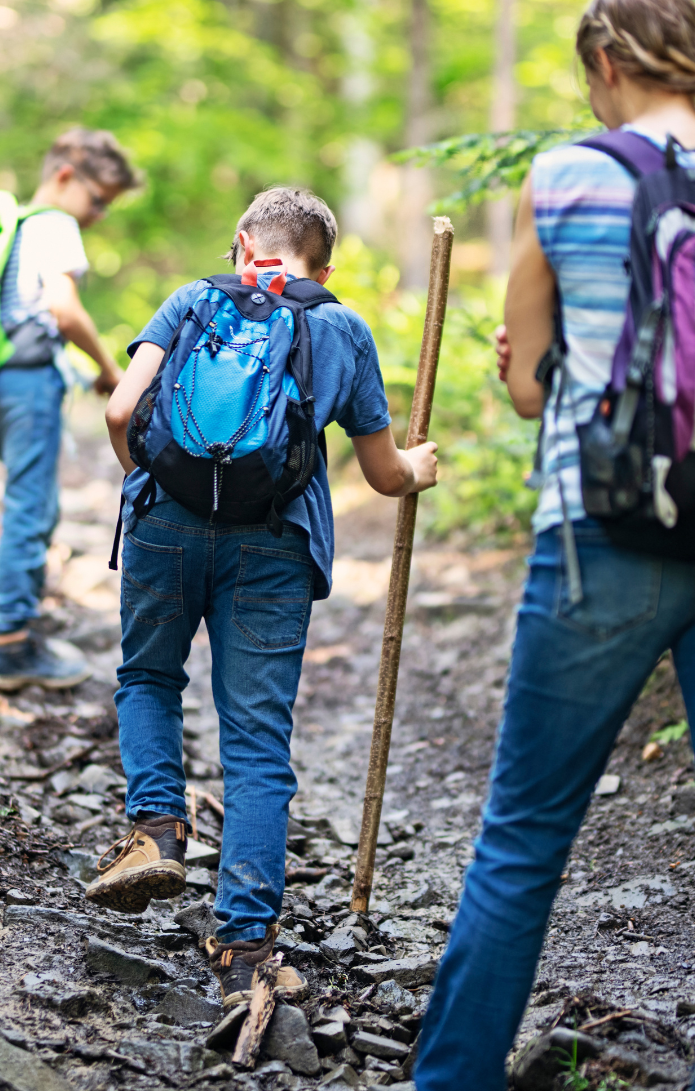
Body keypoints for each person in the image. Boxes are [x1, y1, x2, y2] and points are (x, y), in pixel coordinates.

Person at [411, 0, 695, 1091]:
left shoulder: (566, 177)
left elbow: (529, 389)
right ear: (693, 57)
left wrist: (527, 358)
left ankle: (449, 1080)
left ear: (604, 64)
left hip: (601, 540)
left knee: (522, 837)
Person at [93, 187, 441, 1009]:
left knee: (147, 679)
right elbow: (384, 474)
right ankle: (243, 946)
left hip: (163, 527)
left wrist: (156, 488)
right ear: (325, 265)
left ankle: (157, 828)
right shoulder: (343, 327)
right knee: (256, 742)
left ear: (243, 243)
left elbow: (119, 408)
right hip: (274, 545)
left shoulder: (189, 302)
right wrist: (420, 469)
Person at [0, 129, 138, 692]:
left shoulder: (17, 224)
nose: (98, 214)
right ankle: (13, 646)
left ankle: (16, 632)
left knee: (28, 501)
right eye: (98, 200)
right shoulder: (55, 224)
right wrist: (109, 366)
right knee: (32, 508)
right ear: (67, 176)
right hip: (29, 382)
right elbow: (63, 308)